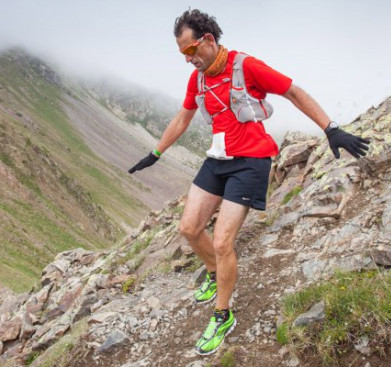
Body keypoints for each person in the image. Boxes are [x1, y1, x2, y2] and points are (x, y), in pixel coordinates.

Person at [127, 9, 370, 355]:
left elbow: (292, 91)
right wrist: (156, 152)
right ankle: (213, 272)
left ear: (208, 40)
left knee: (224, 241)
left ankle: (222, 316)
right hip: (218, 159)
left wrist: (330, 129)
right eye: (182, 53)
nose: (188, 59)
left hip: (251, 163)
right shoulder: (197, 79)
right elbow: (184, 116)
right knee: (189, 228)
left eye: (190, 51)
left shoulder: (246, 66)